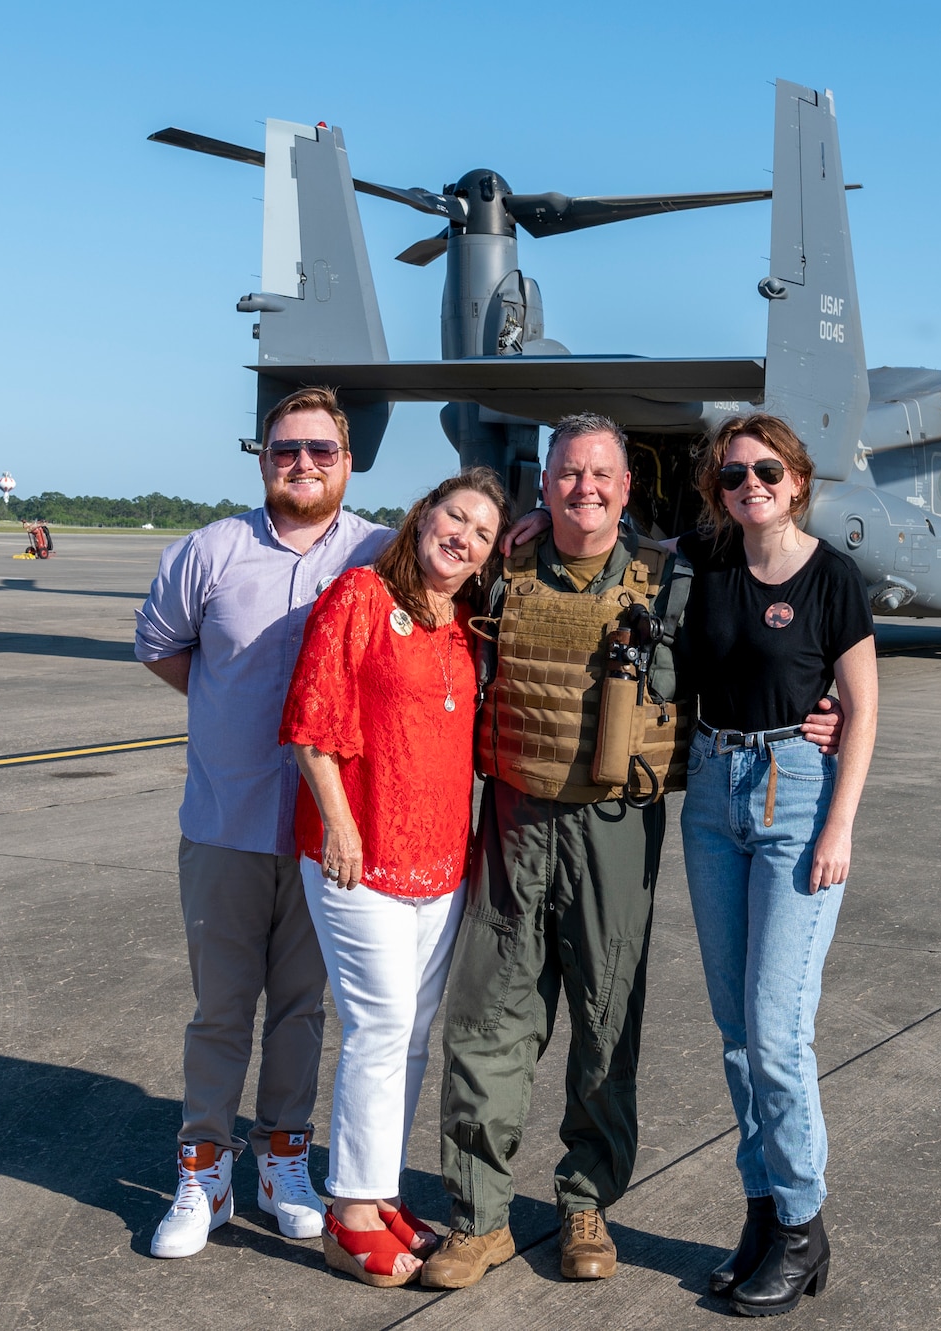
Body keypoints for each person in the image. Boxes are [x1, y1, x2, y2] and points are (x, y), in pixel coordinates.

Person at [424, 414, 845, 1290]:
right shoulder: (498, 568)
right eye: (568, 473)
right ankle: (479, 1216)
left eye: (602, 474)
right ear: (543, 486)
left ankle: (586, 1202)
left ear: (626, 486)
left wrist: (824, 711)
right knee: (490, 1018)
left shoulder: (673, 575)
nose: (585, 487)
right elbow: (420, 588)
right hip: (514, 816)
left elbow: (756, 651)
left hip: (617, 826)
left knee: (606, 1021)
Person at [135, 386, 393, 1259]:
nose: (304, 464)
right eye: (287, 449)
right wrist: (229, 712)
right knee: (220, 1007)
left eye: (321, 450)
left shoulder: (382, 554)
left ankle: (285, 1155)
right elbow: (167, 648)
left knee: (303, 1009)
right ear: (262, 457)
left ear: (347, 460)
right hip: (226, 818)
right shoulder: (208, 552)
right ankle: (204, 1167)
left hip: (333, 834)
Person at [281, 469, 505, 1286]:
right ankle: (348, 1213)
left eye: (482, 532)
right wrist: (339, 820)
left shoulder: (462, 627)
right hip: (361, 856)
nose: (464, 536)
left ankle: (378, 1193)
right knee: (378, 1026)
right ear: (422, 516)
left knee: (411, 1032)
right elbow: (313, 721)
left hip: (440, 862)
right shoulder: (360, 596)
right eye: (455, 516)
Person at [677, 414, 878, 1317]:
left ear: (796, 479)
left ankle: (803, 1223)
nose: (748, 484)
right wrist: (523, 520)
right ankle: (762, 1213)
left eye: (765, 470)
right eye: (732, 475)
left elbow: (865, 710)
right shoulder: (709, 558)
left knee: (776, 1027)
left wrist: (840, 824)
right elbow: (610, 534)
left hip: (796, 794)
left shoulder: (832, 576)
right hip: (713, 792)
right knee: (731, 1027)